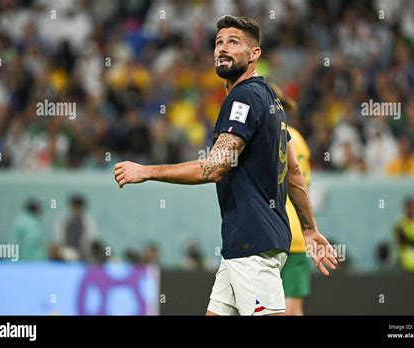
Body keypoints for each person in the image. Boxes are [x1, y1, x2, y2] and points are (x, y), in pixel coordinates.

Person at [114, 15, 337, 316]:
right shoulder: (271, 100)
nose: (222, 48)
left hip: (252, 246)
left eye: (233, 42)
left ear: (254, 54)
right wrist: (309, 229)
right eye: (219, 42)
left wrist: (147, 171)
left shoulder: (243, 98)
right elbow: (294, 170)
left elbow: (215, 168)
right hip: (245, 246)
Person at [270, 83, 312, 315]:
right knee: (294, 308)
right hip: (298, 232)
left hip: (273, 230)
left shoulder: (272, 137)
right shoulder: (299, 139)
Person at [53, 194, 98, 261]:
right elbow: (58, 239)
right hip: (66, 251)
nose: (76, 209)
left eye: (78, 207)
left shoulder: (89, 222)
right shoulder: (64, 221)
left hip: (83, 253)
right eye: (74, 206)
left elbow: (93, 240)